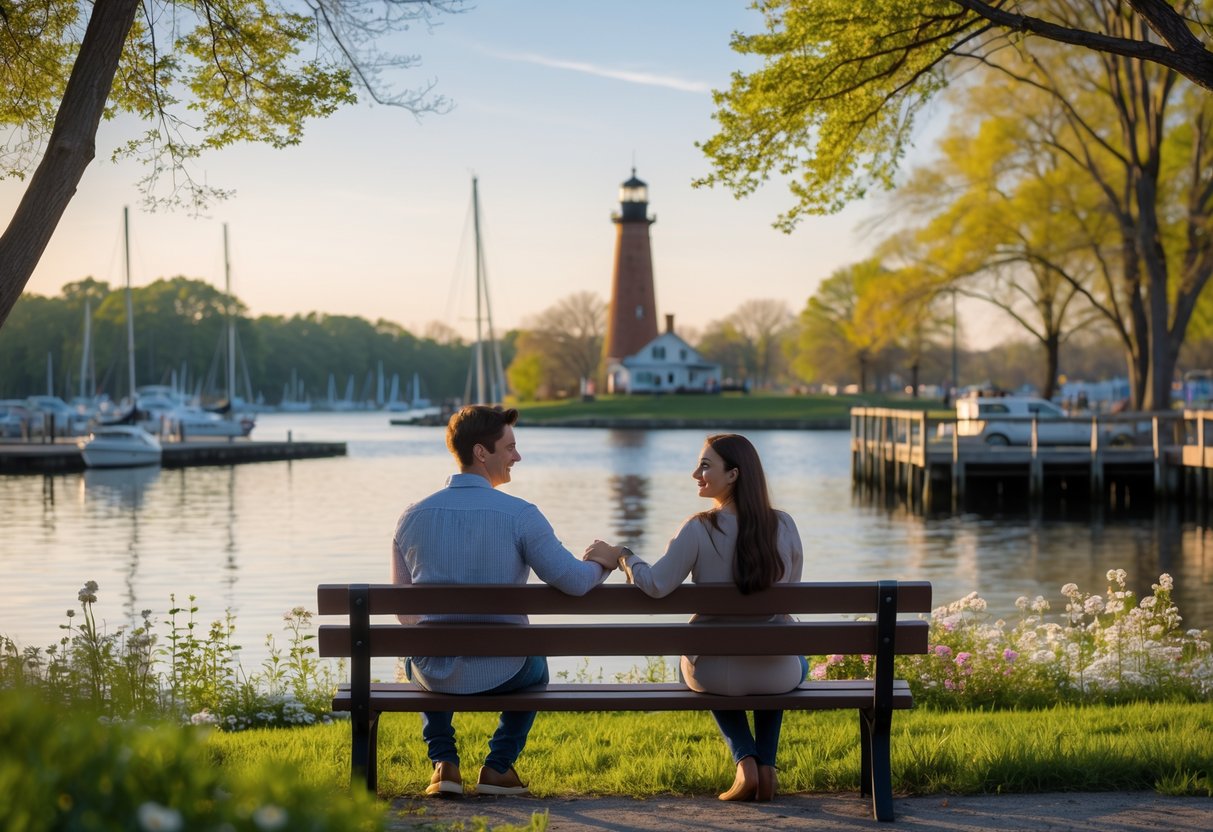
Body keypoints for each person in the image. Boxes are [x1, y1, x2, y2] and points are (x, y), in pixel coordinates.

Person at [392, 405, 615, 798]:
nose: (517, 456)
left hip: (434, 672)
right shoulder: (521, 515)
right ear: (482, 452)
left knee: (417, 651)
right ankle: (497, 767)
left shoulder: (412, 516)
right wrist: (602, 562)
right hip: (507, 669)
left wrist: (444, 636)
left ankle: (444, 763)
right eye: (510, 447)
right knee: (537, 664)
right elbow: (576, 583)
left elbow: (404, 610)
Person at [583, 433, 806, 803]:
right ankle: (767, 766)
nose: (695, 473)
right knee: (791, 651)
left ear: (733, 475)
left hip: (713, 673)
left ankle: (745, 761)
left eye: (705, 465)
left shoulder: (699, 528)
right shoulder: (784, 526)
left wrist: (623, 555)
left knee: (691, 660)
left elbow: (655, 585)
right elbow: (789, 599)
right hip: (775, 672)